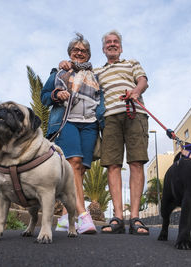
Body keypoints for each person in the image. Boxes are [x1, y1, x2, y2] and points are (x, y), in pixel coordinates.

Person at [60, 30, 149, 235]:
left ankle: (135, 217)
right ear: (103, 49)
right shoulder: (96, 72)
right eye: (108, 42)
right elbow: (76, 74)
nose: (112, 44)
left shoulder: (131, 63)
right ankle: (117, 216)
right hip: (109, 119)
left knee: (136, 162)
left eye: (115, 41)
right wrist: (65, 65)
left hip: (134, 113)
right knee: (113, 165)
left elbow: (143, 81)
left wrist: (135, 92)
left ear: (120, 47)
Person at [41, 33, 105, 234]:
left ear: (88, 55)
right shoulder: (59, 72)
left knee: (81, 170)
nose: (79, 53)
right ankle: (83, 216)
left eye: (84, 51)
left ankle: (64, 218)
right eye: (76, 50)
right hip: (66, 121)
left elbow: (100, 101)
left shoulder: (95, 75)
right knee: (74, 162)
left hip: (90, 124)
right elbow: (44, 97)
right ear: (70, 52)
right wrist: (56, 94)